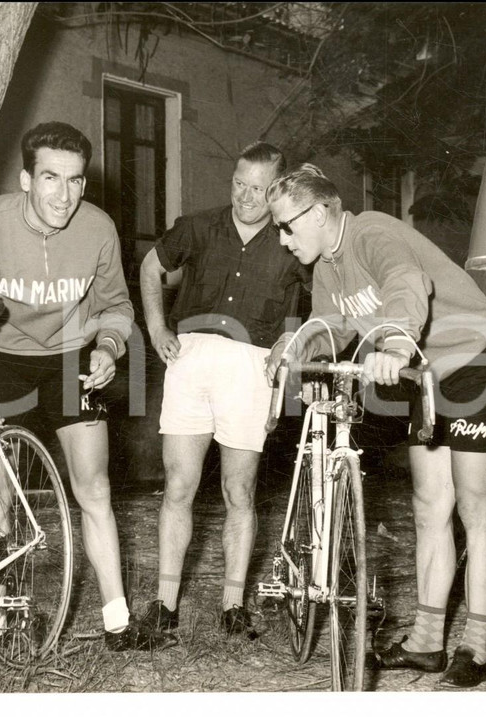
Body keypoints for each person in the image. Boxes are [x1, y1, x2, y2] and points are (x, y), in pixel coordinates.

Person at [265, 163, 486, 688]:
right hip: (425, 375)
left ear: (319, 211)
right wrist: (293, 350)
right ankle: (427, 641)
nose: (283, 239)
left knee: (475, 508)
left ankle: (474, 646)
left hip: (478, 359)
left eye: (287, 226)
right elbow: (328, 327)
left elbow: (407, 283)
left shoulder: (371, 231)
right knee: (429, 508)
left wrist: (399, 340)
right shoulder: (325, 266)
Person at [0, 121, 173, 652]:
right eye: (50, 178)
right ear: (26, 179)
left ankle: (118, 620)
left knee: (94, 488)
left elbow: (117, 306)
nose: (63, 195)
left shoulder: (97, 229)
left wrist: (110, 348)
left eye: (74, 181)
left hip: (70, 357)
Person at [139, 142, 310, 638]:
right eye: (239, 183)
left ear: (277, 188)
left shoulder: (290, 241)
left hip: (252, 366)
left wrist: (289, 339)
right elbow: (153, 267)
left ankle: (234, 607)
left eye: (259, 188)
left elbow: (323, 295)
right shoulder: (197, 225)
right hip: (190, 358)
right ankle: (164, 606)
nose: (246, 197)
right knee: (179, 486)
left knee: (239, 490)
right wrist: (155, 329)